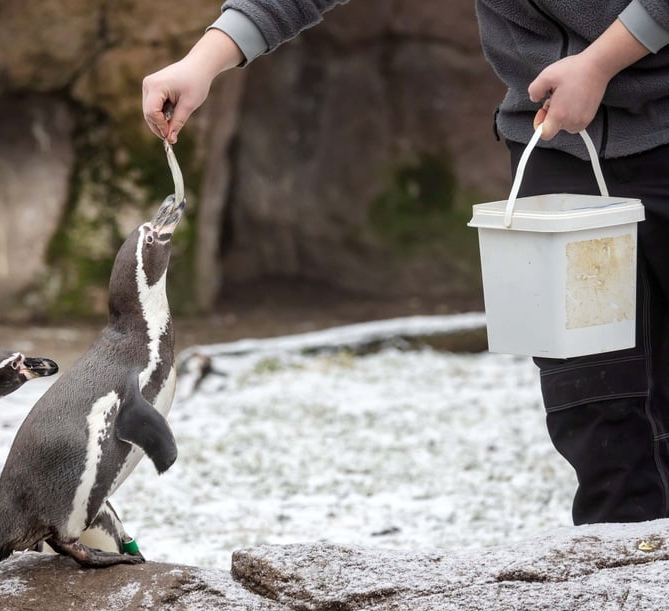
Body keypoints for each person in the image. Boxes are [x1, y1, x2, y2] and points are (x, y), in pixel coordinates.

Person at [142, 1, 669, 525]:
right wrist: (202, 60)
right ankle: (623, 590)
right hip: (557, 147)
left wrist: (600, 62)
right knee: (597, 414)